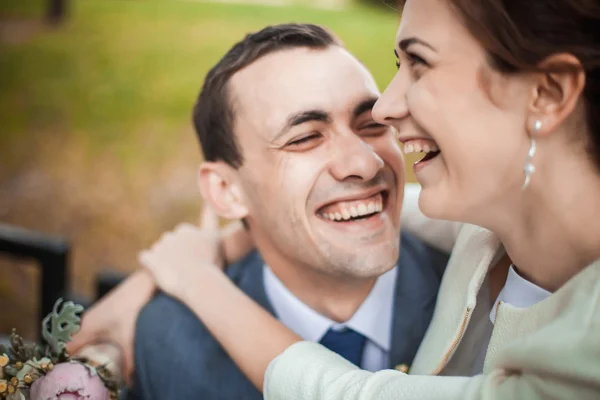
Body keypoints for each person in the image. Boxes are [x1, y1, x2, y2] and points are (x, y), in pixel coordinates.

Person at [140, 0, 600, 399]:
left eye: (419, 63)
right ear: (225, 190)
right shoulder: (486, 229)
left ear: (547, 92)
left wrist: (196, 278)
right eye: (304, 137)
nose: (385, 109)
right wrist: (219, 245)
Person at [68, 23, 451, 400]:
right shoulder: (166, 340)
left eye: (370, 124)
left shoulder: (477, 294)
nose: (366, 165)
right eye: (304, 138)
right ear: (227, 191)